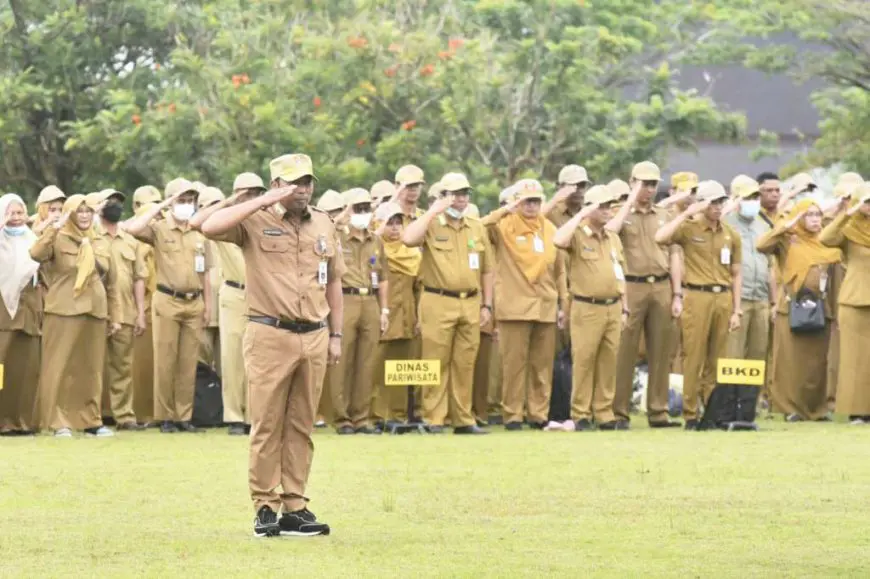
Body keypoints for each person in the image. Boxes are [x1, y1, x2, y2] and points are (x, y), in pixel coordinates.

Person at [201, 152, 341, 538]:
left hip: (313, 334)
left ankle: (295, 505)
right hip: (269, 333)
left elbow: (333, 282)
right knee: (266, 423)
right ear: (277, 185)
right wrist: (261, 200)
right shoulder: (253, 220)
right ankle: (265, 504)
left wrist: (336, 334)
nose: (304, 189)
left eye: (308, 181)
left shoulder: (325, 224)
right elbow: (207, 226)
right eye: (295, 182)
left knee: (301, 424)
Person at [402, 172, 494, 434]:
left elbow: (488, 269)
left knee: (465, 362)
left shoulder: (476, 226)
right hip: (437, 299)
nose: (460, 199)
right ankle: (434, 418)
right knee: (434, 361)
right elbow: (408, 239)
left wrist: (487, 304)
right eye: (454, 194)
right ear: (443, 197)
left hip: (470, 301)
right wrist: (433, 211)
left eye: (464, 193)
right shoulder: (432, 223)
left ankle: (463, 419)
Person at [124, 178, 212, 434]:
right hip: (167, 299)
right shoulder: (160, 228)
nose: (186, 206)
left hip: (193, 301)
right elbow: (133, 228)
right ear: (172, 202)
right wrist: (164, 205)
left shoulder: (199, 231)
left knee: (188, 362)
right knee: (165, 359)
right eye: (181, 200)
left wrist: (207, 305)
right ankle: (165, 416)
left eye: (189, 201)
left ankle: (184, 415)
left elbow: (205, 272)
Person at [655, 181, 742, 430]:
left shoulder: (730, 233)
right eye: (712, 202)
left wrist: (737, 309)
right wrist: (686, 212)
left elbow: (736, 274)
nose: (717, 207)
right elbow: (660, 237)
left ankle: (712, 411)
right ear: (702, 203)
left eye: (720, 202)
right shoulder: (689, 228)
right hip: (696, 295)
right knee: (692, 356)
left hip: (723, 297)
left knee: (718, 358)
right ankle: (690, 413)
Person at [30, 194, 119, 437]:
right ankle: (58, 422)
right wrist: (54, 228)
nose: (84, 215)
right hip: (64, 307)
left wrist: (115, 315)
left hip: (95, 309)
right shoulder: (58, 237)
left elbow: (111, 277)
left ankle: (91, 420)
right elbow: (36, 253)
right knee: (59, 366)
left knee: (91, 368)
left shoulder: (97, 239)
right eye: (78, 211)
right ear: (69, 213)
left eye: (88, 211)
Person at [481, 179, 567, 430]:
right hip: (515, 305)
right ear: (517, 202)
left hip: (545, 305)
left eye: (536, 201)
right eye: (526, 201)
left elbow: (560, 271)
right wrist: (506, 209)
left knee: (541, 366)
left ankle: (538, 414)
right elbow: (480, 227)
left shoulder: (550, 228)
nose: (531, 206)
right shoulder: (504, 226)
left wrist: (563, 304)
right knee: (514, 365)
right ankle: (513, 415)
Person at [606, 162, 681, 429]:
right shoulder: (620, 213)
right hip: (632, 285)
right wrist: (630, 199)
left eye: (652, 184)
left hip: (661, 285)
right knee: (624, 351)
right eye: (642, 183)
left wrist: (677, 293)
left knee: (661, 351)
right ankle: (618, 413)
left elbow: (674, 253)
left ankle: (658, 412)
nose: (648, 189)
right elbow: (610, 231)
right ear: (631, 182)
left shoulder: (664, 214)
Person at [757, 198, 841, 421]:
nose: (815, 219)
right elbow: (762, 245)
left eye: (817, 214)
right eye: (809, 214)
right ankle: (790, 409)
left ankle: (818, 409)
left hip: (821, 307)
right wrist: (786, 224)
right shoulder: (788, 239)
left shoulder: (826, 240)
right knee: (790, 361)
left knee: (818, 362)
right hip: (792, 307)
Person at [553, 184, 628, 430]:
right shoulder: (577, 234)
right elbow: (558, 239)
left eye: (609, 206)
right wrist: (581, 215)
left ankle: (604, 413)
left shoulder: (613, 238)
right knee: (584, 361)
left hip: (613, 306)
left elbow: (620, 275)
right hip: (587, 307)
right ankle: (580, 413)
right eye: (603, 206)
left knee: (608, 362)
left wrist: (625, 308)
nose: (608, 211)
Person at [329, 187, 388, 435]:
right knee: (341, 360)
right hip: (345, 298)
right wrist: (341, 218)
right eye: (357, 208)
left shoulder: (376, 240)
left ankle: (361, 417)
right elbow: (319, 233)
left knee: (367, 361)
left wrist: (384, 309)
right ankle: (341, 418)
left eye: (366, 208)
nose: (363, 213)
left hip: (370, 301)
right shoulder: (337, 237)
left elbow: (383, 277)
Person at [99, 189, 148, 431]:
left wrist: (140, 312)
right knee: (92, 365)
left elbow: (140, 277)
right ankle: (91, 416)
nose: (115, 206)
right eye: (110, 202)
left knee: (122, 366)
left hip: (126, 310)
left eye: (119, 202)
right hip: (96, 310)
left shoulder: (131, 240)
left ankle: (124, 417)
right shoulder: (90, 237)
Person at [820, 186, 870, 424]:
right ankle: (857, 410)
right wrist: (848, 212)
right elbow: (825, 238)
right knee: (854, 359)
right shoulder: (849, 229)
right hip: (854, 299)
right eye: (868, 202)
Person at [370, 202, 422, 426]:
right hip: (382, 315)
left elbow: (419, 287)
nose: (394, 228)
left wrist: (420, 316)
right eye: (389, 223)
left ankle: (399, 415)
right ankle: (378, 415)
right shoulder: (373, 250)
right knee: (378, 366)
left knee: (402, 367)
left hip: (407, 315)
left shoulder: (412, 252)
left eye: (398, 223)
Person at [0, 194, 42, 436]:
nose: (15, 219)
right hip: (4, 311)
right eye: (10, 213)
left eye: (19, 213)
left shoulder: (32, 239)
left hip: (29, 309)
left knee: (26, 367)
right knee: (1, 367)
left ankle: (22, 421)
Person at [725, 176, 772, 366]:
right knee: (733, 354)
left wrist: (774, 301)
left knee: (758, 354)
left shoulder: (763, 225)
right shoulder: (725, 223)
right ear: (736, 199)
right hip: (736, 298)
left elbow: (771, 265)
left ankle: (751, 396)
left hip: (761, 298)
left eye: (755, 197)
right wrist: (729, 207)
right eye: (747, 197)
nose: (753, 202)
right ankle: (730, 395)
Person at [196, 186, 226, 373]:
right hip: (202, 310)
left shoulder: (231, 233)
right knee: (201, 365)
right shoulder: (195, 236)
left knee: (227, 366)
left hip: (227, 310)